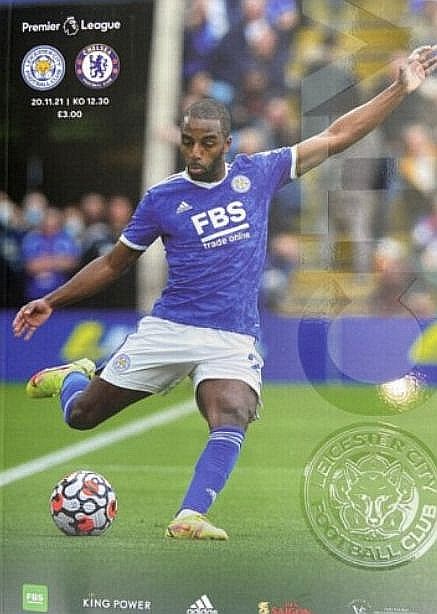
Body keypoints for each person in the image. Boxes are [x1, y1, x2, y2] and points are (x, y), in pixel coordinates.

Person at [13, 45, 437, 540]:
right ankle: (73, 376)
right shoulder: (162, 199)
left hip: (232, 335)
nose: (196, 153)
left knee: (233, 411)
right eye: (189, 142)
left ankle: (190, 514)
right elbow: (113, 263)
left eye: (207, 143)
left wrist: (397, 89)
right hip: (171, 327)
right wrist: (52, 301)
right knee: (81, 417)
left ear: (227, 144)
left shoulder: (258, 173)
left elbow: (336, 136)